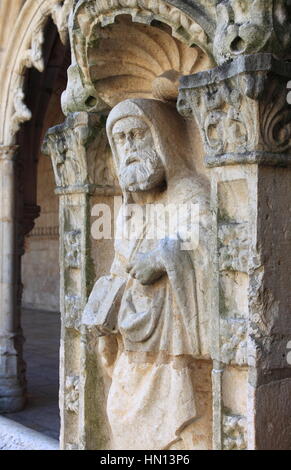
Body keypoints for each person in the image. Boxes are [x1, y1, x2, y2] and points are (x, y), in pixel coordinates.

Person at [83, 99, 210, 450]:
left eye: (137, 134)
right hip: (133, 344)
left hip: (172, 353)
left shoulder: (189, 195)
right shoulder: (128, 214)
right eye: (121, 139)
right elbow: (119, 269)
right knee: (118, 413)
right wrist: (104, 303)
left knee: (181, 436)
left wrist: (162, 256)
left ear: (162, 139)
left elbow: (206, 240)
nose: (130, 147)